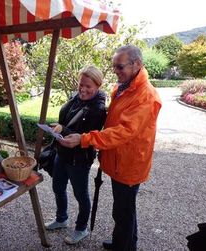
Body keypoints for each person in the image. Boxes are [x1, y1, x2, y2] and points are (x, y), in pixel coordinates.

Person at [59, 45, 162, 251]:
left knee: (123, 210)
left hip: (129, 162)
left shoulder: (146, 95)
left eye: (120, 66)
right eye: (114, 66)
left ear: (137, 64)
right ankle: (122, 243)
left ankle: (124, 246)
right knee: (124, 209)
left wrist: (85, 138)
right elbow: (113, 122)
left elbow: (124, 131)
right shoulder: (123, 87)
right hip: (118, 159)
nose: (115, 71)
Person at [45, 65, 107, 245]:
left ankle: (81, 228)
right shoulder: (75, 98)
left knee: (81, 195)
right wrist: (58, 126)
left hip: (79, 159)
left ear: (97, 86)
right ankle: (62, 218)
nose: (83, 89)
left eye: (88, 86)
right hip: (62, 153)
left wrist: (63, 129)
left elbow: (86, 135)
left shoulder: (98, 109)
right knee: (58, 187)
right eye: (81, 85)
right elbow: (67, 122)